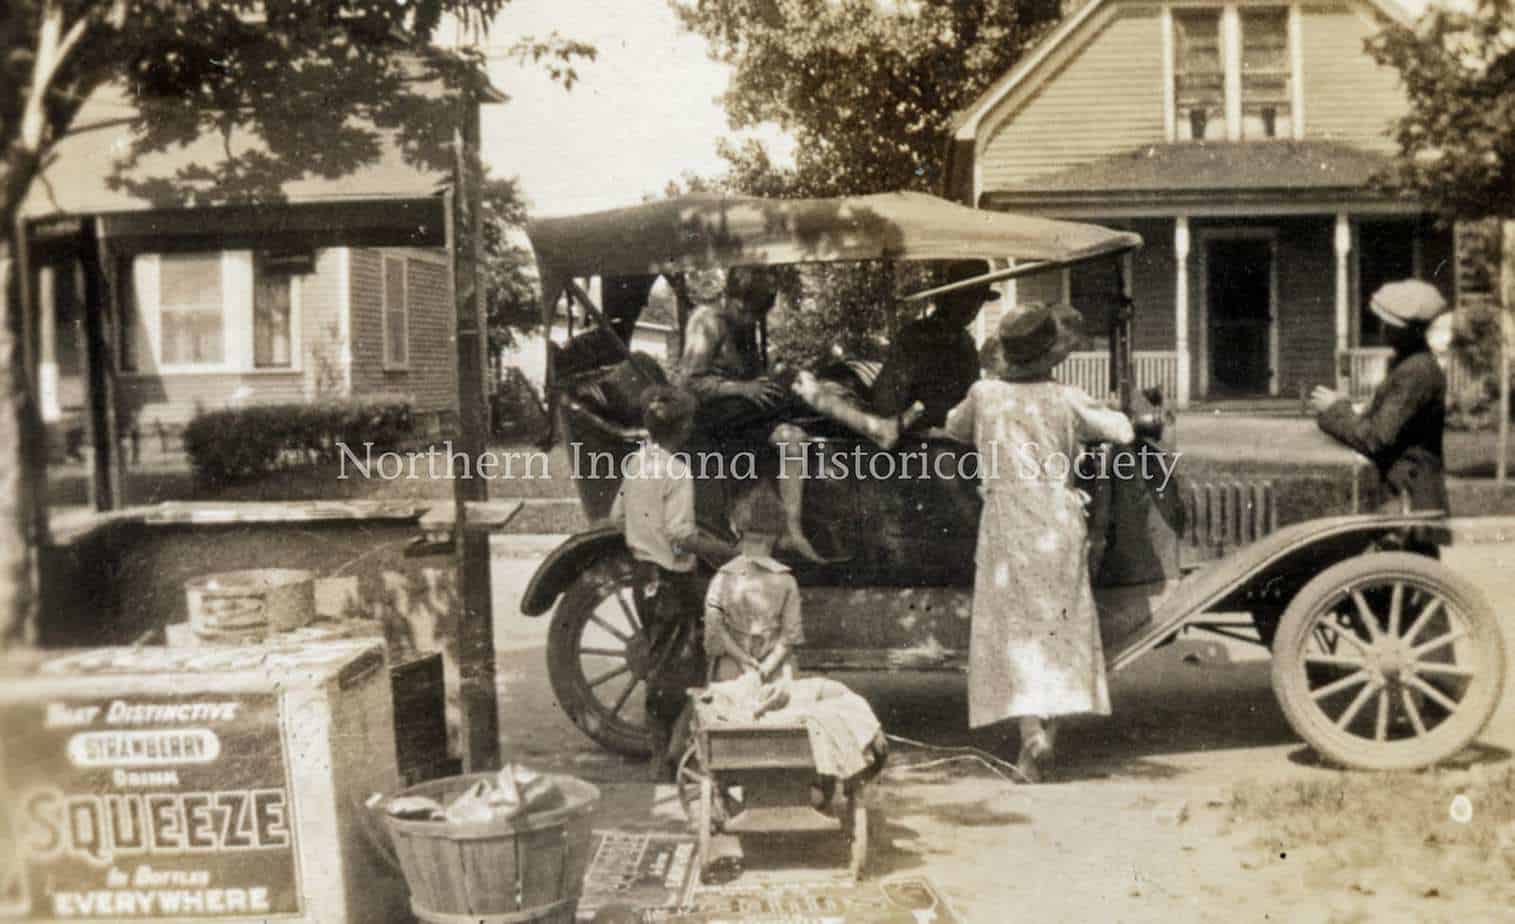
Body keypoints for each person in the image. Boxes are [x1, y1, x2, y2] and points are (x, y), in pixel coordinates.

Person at [938, 302, 1134, 782]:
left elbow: (952, 427)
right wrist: (1098, 415)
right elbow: (1123, 433)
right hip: (1055, 518)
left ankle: (1030, 733)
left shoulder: (984, 395)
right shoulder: (1065, 396)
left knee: (1014, 628)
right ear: (1050, 352)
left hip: (1007, 520)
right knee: (1057, 626)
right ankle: (1048, 736)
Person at [608, 386, 734, 773]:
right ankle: (667, 759)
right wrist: (726, 551)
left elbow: (616, 516)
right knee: (679, 665)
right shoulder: (677, 472)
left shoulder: (637, 464)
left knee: (660, 662)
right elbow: (682, 533)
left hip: (642, 576)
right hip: (669, 579)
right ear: (683, 429)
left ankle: (665, 752)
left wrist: (646, 534)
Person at [678, 267, 825, 562]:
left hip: (741, 411)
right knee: (795, 397)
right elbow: (688, 381)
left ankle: (791, 530)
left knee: (793, 436)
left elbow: (750, 377)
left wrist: (769, 376)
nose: (752, 321)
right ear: (735, 301)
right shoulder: (706, 321)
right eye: (749, 314)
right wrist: (742, 388)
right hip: (713, 417)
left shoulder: (741, 324)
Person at [1310, 279, 1449, 514]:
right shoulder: (1411, 365)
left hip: (1407, 496)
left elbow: (1376, 439)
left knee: (1399, 552)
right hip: (1403, 494)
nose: (1382, 329)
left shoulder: (1415, 372)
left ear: (1411, 331)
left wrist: (1335, 409)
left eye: (1390, 325)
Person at [703, 481, 803, 694]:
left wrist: (745, 662)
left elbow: (715, 631)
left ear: (739, 532)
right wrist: (765, 667)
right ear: (774, 539)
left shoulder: (721, 579)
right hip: (775, 673)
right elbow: (790, 636)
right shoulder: (787, 581)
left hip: (733, 671)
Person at [871, 259, 996, 429]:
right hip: (917, 441)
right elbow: (886, 402)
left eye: (979, 300)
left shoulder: (965, 341)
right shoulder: (915, 337)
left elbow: (972, 397)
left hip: (956, 437)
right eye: (967, 298)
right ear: (948, 298)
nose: (974, 307)